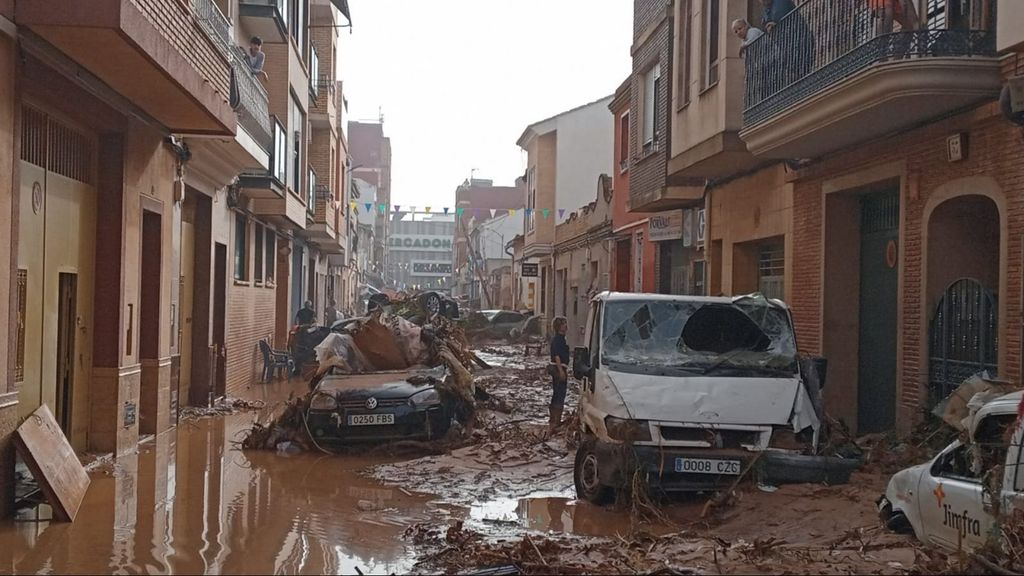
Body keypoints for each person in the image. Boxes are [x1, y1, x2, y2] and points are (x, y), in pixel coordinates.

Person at [548, 317, 570, 430]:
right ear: (558, 327)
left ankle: (555, 420)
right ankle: (555, 421)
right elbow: (557, 356)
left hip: (560, 368)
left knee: (559, 393)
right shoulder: (557, 339)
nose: (566, 325)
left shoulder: (562, 339)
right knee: (559, 394)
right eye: (563, 324)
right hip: (558, 369)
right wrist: (561, 371)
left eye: (566, 323)